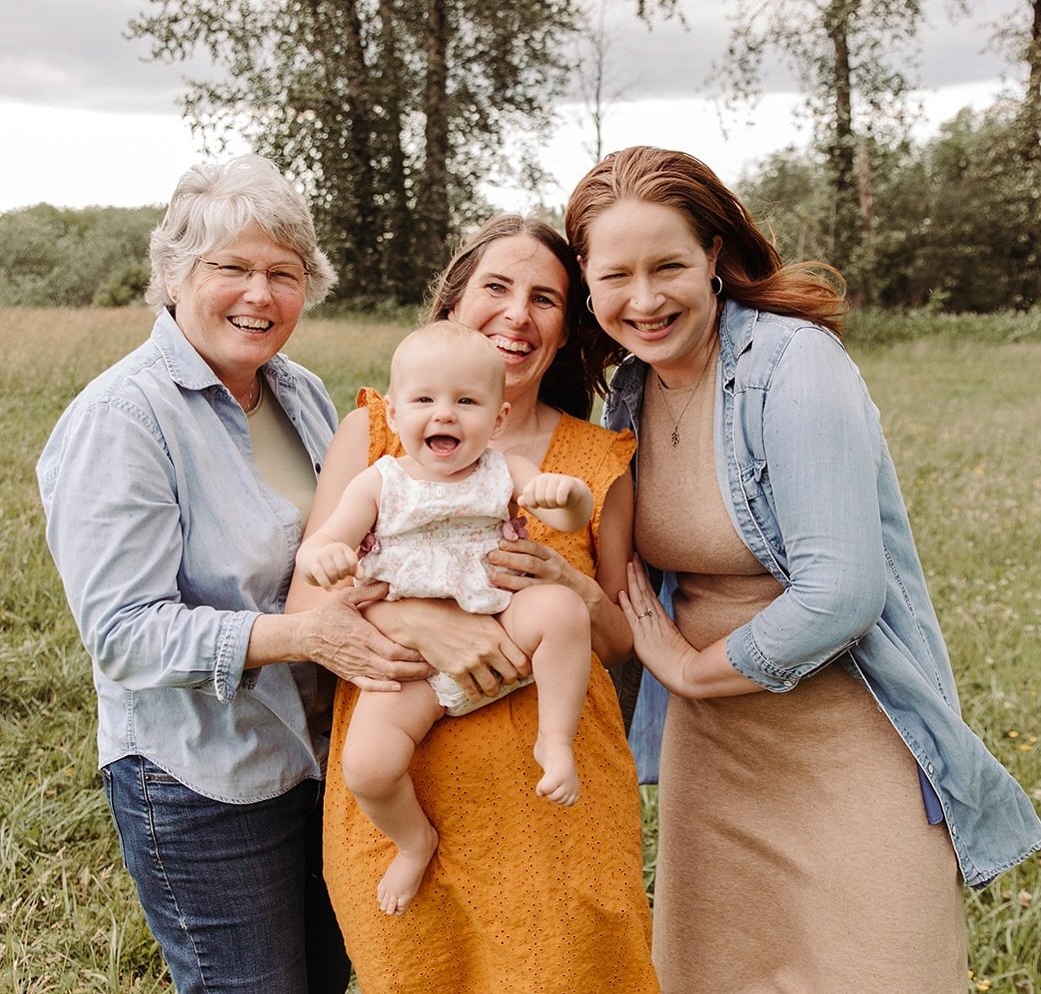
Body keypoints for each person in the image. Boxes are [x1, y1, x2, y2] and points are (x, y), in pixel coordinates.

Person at [565, 144, 1041, 994]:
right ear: (586, 279)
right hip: (712, 762)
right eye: (616, 275)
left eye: (668, 264)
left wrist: (687, 668)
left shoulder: (792, 365)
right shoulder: (629, 390)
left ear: (713, 255)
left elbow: (842, 591)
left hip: (845, 736)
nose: (643, 299)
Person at [37, 154, 431, 994]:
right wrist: (302, 634)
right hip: (202, 776)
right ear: (174, 276)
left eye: (283, 274)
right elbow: (122, 633)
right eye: (232, 268)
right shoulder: (124, 417)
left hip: (318, 757)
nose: (260, 294)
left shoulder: (298, 393)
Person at [287, 214, 660, 993]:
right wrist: (418, 618)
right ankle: (414, 841)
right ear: (454, 302)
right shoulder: (374, 434)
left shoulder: (592, 462)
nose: (517, 314)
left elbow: (619, 642)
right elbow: (306, 602)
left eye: (545, 299)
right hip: (407, 779)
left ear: (567, 329)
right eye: (496, 286)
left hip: (554, 806)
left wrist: (573, 588)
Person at [296, 320, 596, 916]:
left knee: (562, 608)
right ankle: (413, 841)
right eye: (425, 400)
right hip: (411, 664)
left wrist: (566, 495)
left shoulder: (504, 470)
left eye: (466, 401)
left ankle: (555, 742)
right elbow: (321, 544)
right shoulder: (379, 482)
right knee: (368, 767)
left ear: (499, 417)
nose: (446, 414)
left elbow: (566, 519)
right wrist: (326, 555)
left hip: (502, 621)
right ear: (395, 409)